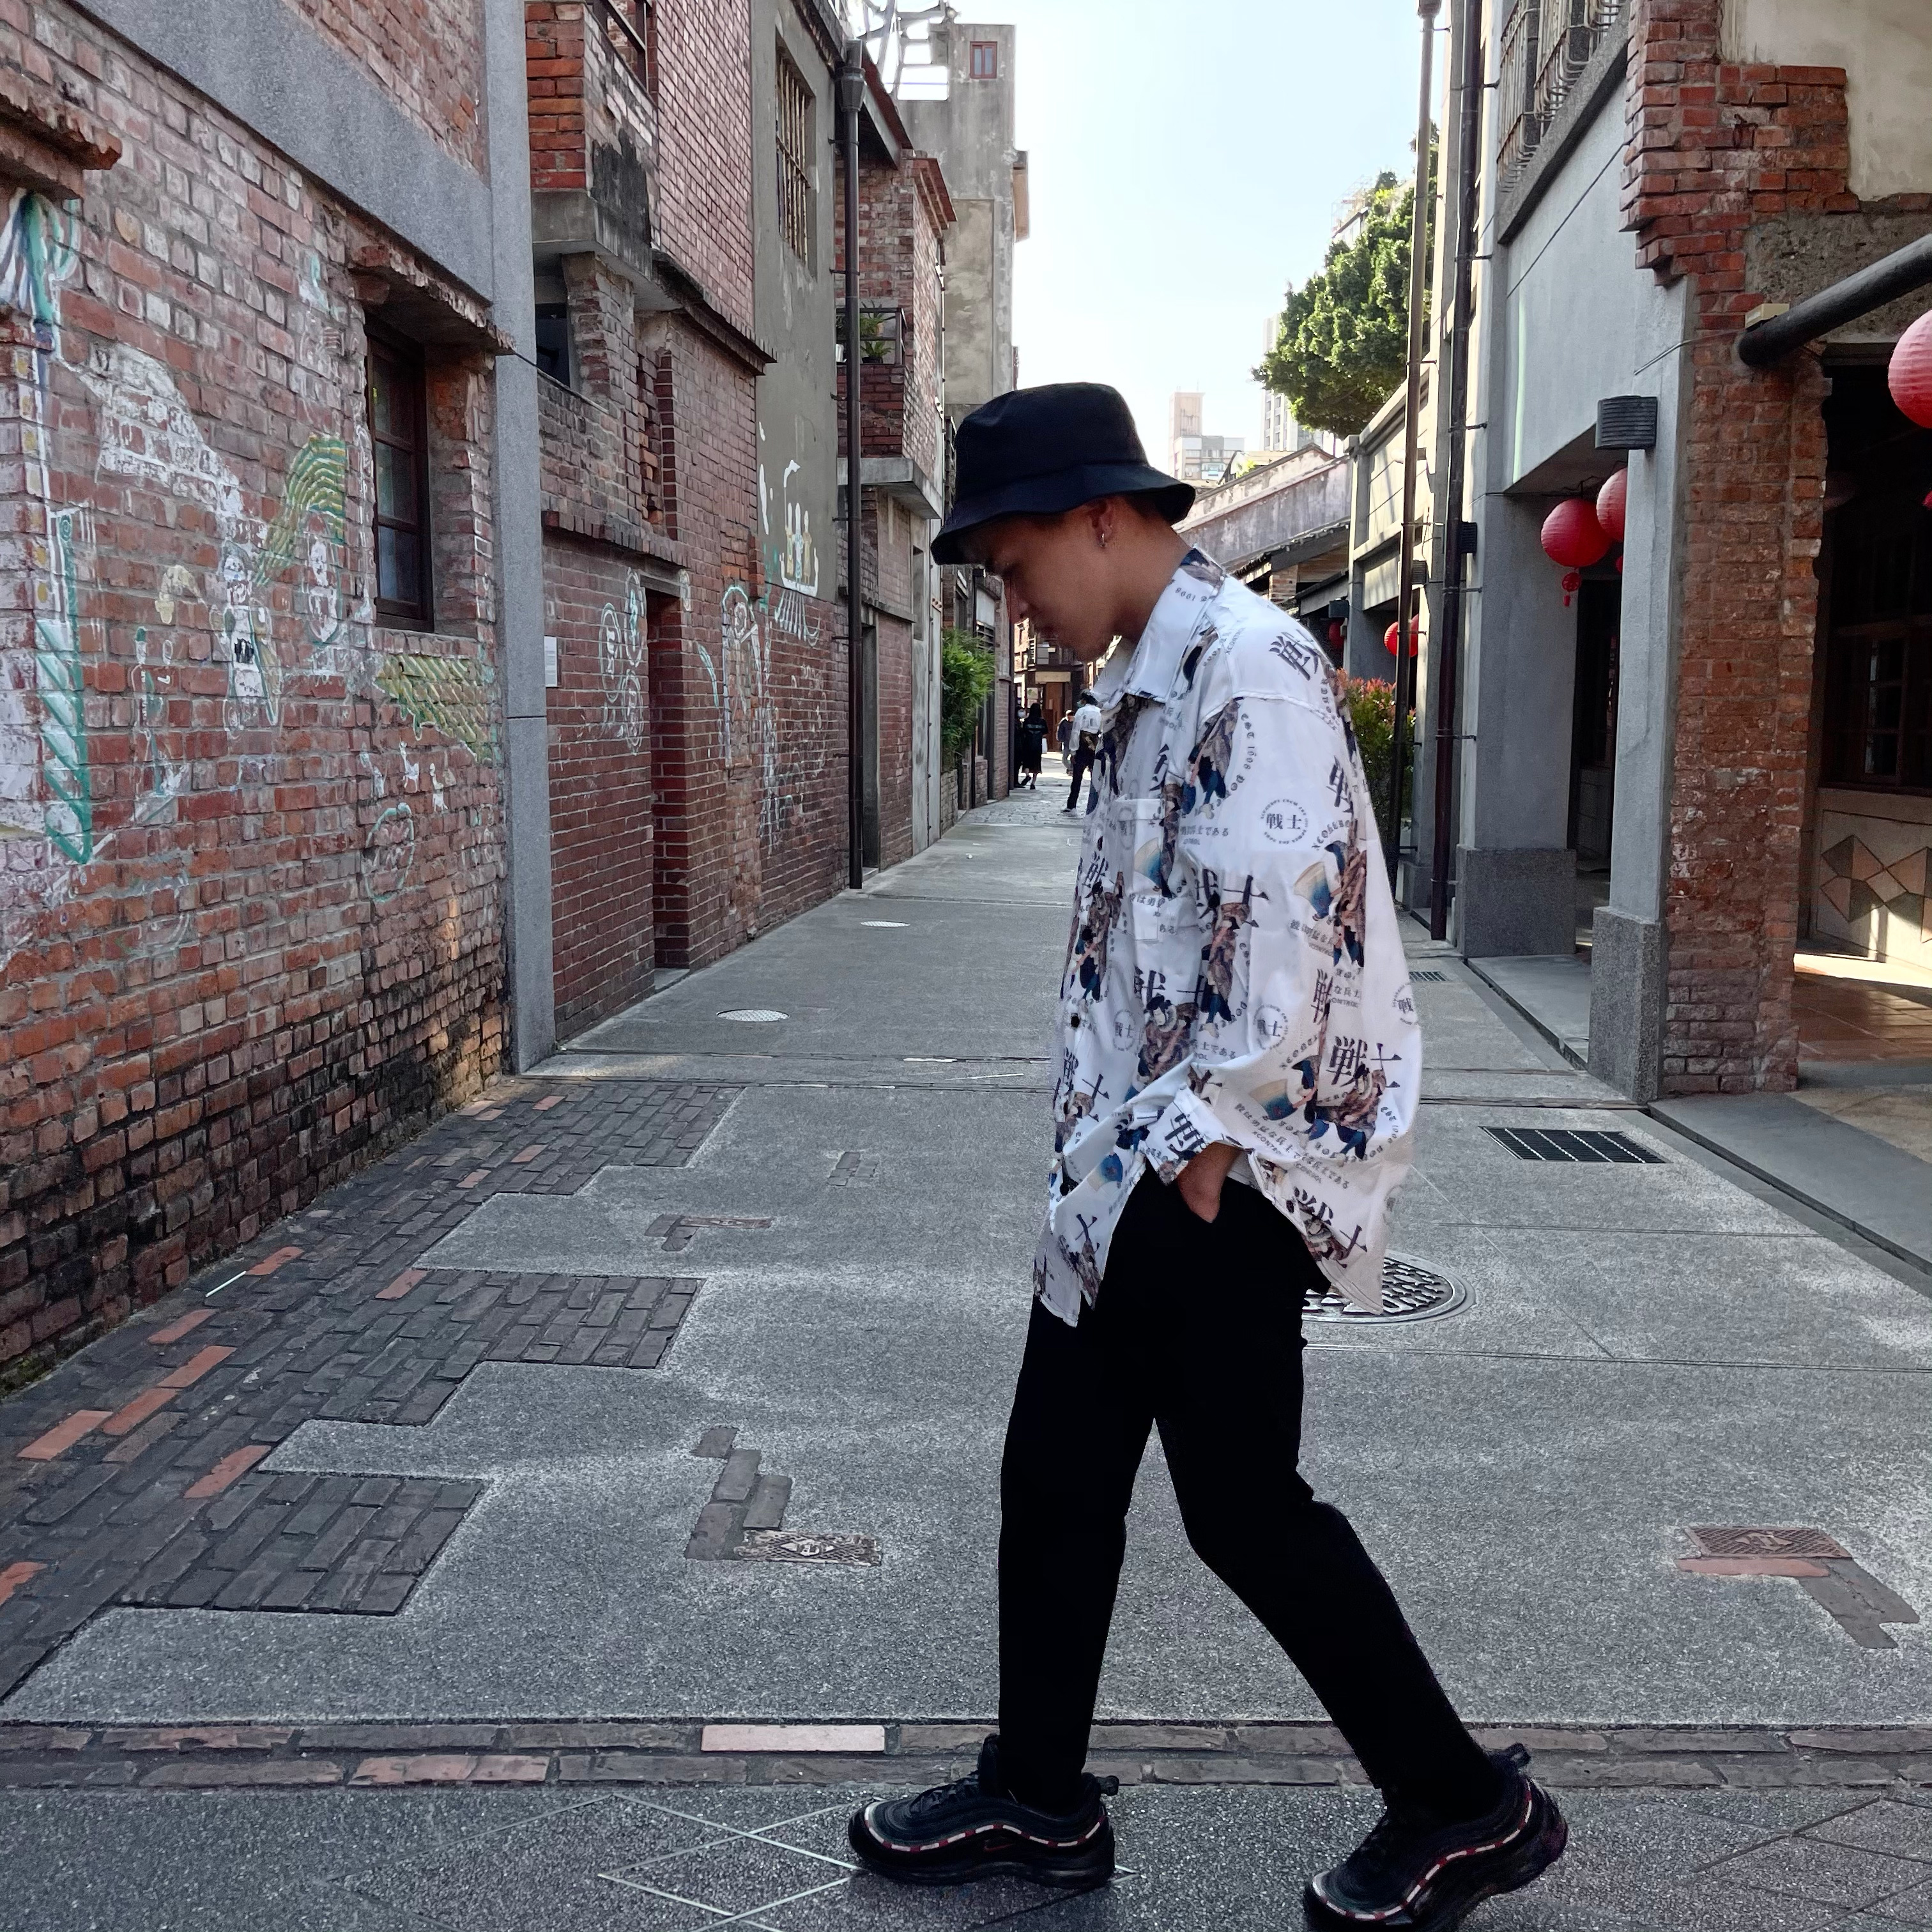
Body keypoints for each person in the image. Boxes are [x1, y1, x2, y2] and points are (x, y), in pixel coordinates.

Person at [847, 383, 1567, 1931]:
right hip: (1130, 1170)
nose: (1010, 600)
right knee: (1055, 1477)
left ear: (1105, 517)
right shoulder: (1148, 682)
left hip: (1212, 1175)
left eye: (1016, 562)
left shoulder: (1253, 671)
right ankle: (1040, 1797)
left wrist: (1195, 1156)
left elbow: (1282, 961)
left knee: (1243, 1511)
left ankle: (1465, 1804)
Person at [1063, 688, 1101, 813]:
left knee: (1077, 778)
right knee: (1096, 779)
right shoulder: (1099, 712)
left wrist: (1073, 751)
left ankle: (1072, 806)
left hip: (1082, 747)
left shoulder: (1081, 712)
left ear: (1084, 700)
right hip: (1095, 747)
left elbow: (1076, 732)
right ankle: (1095, 806)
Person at [1016, 701, 1045, 788]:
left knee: (1027, 762)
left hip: (1027, 745)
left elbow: (1023, 732)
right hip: (1038, 746)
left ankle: (1027, 775)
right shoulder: (1042, 721)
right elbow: (1045, 732)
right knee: (1036, 764)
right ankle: (1033, 783)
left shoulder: (1027, 721)